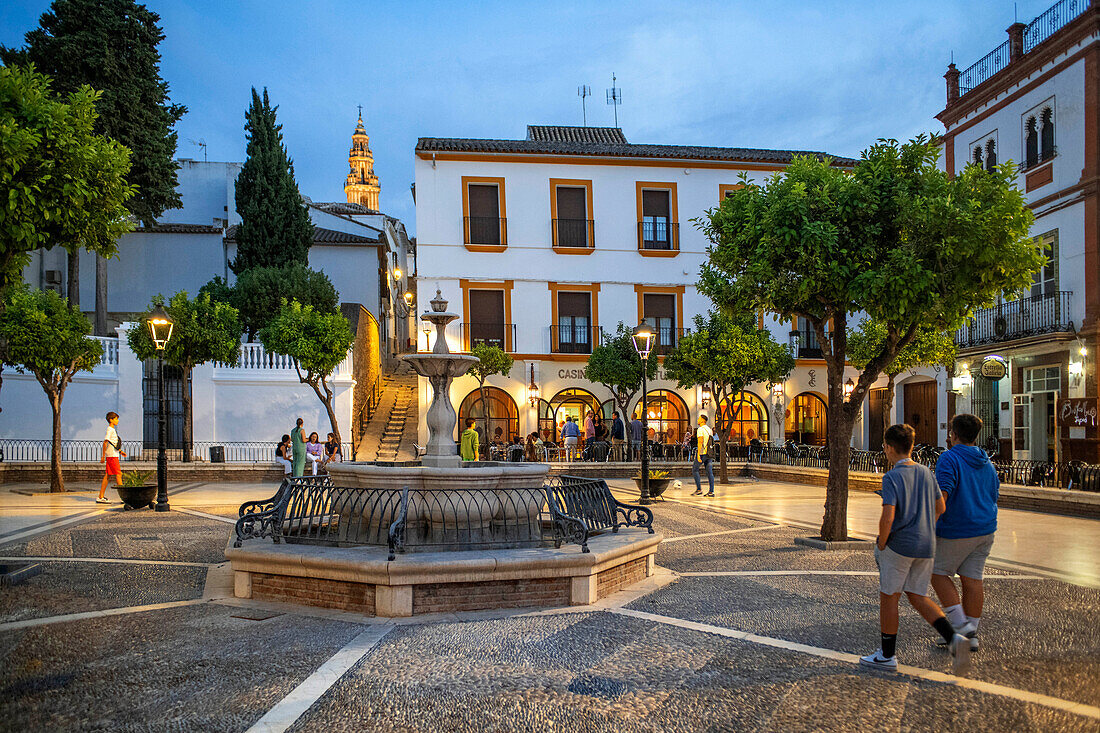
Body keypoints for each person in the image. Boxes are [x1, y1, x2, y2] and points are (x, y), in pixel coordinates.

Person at [860, 423, 971, 676]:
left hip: (899, 546)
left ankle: (887, 655)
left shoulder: (892, 477)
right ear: (911, 447)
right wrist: (925, 526)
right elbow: (940, 507)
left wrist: (882, 541)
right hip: (926, 544)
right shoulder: (926, 472)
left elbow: (888, 515)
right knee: (918, 595)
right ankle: (954, 638)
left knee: (890, 597)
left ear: (888, 448)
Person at [930, 413, 999, 652]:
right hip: (986, 528)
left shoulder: (949, 458)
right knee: (973, 580)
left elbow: (943, 495)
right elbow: (994, 493)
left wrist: (928, 525)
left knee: (937, 572)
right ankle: (972, 633)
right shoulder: (986, 461)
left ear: (954, 435)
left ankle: (961, 628)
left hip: (957, 528)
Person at [97, 411, 126, 503]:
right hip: (112, 456)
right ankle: (124, 497)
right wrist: (103, 456)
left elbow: (112, 443)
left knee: (108, 475)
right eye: (116, 419)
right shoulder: (110, 429)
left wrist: (120, 451)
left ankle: (101, 496)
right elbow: (105, 442)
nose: (117, 421)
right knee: (118, 474)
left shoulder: (112, 430)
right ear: (111, 420)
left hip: (112, 454)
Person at [691, 414, 715, 497]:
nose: (697, 420)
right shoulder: (709, 429)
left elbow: (700, 442)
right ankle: (711, 491)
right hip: (709, 453)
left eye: (699, 419)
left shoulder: (700, 429)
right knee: (709, 472)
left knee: (695, 469)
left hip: (703, 453)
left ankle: (699, 489)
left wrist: (698, 454)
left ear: (702, 420)